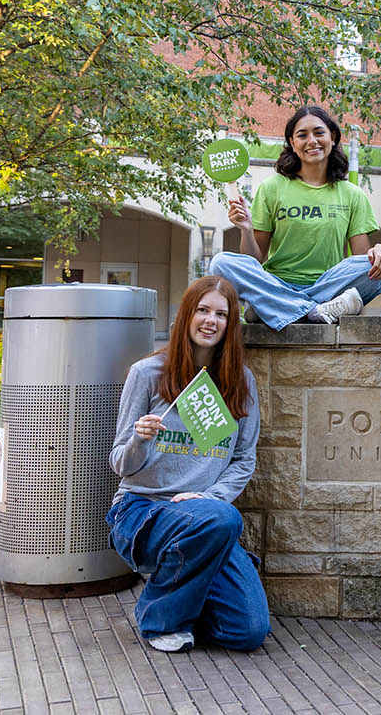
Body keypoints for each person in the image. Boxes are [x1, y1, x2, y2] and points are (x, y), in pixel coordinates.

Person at [106, 276, 270, 654]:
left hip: (206, 517)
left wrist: (210, 497)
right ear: (186, 315)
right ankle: (159, 618)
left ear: (231, 324)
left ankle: (187, 586)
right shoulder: (147, 374)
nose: (211, 320)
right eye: (202, 310)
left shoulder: (240, 382)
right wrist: (139, 439)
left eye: (221, 314)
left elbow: (244, 459)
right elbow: (120, 464)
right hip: (143, 511)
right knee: (225, 519)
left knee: (248, 631)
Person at [210, 105, 381, 328]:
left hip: (327, 285)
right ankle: (313, 311)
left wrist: (379, 252)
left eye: (319, 133)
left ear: (332, 138)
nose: (312, 140)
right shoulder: (272, 188)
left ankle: (275, 309)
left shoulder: (352, 194)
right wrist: (246, 229)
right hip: (276, 284)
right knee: (221, 263)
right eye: (302, 135)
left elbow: (362, 260)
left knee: (378, 272)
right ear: (292, 144)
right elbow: (254, 261)